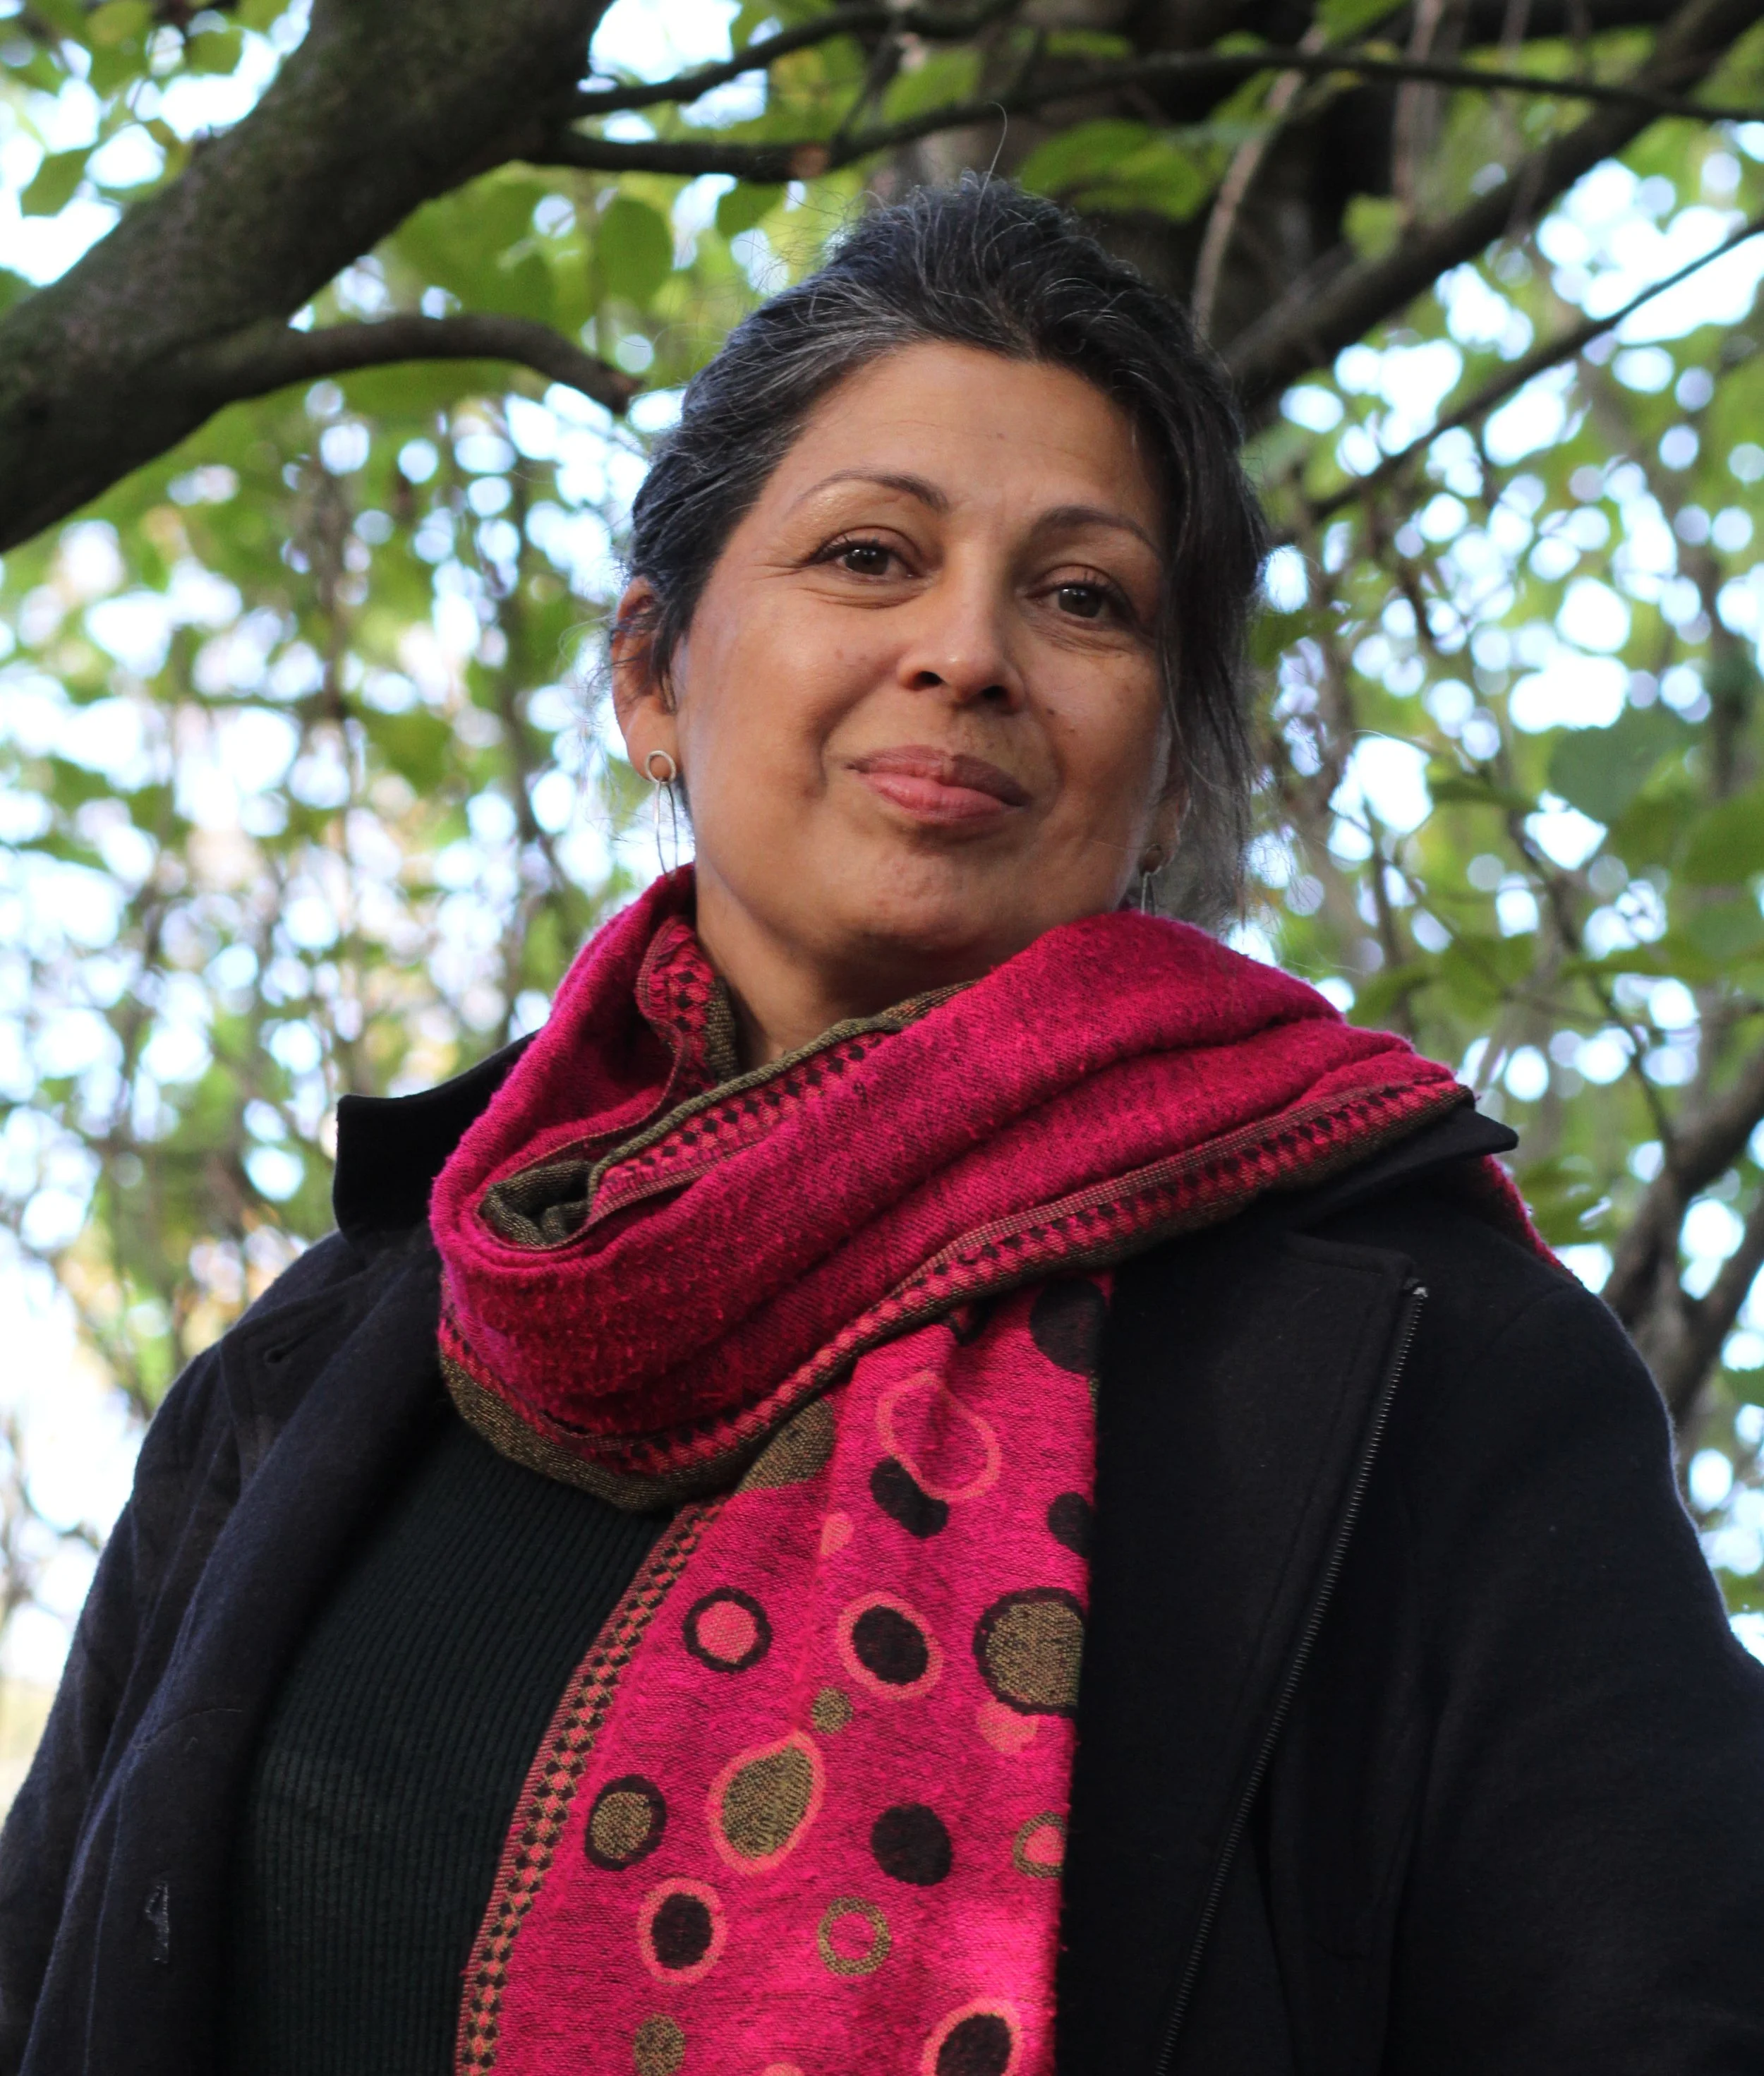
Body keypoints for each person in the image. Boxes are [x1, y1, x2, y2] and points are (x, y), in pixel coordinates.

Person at [1, 177, 1761, 2076]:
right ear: (651, 674)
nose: (967, 651)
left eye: (1083, 599)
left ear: (1168, 777)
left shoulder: (1431, 1371)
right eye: (867, 556)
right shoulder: (324, 1362)